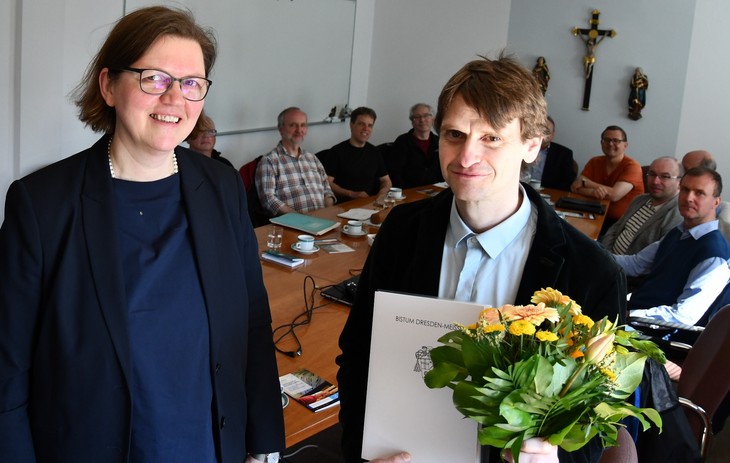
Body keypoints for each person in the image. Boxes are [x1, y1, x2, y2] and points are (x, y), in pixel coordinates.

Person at [0, 7, 284, 463]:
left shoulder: (221, 187)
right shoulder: (41, 205)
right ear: (109, 85)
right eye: (154, 77)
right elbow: (8, 369)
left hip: (209, 447)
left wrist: (263, 440)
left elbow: (250, 318)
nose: (175, 98)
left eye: (191, 82)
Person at [337, 53, 626, 463]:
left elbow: (596, 424)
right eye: (454, 134)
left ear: (532, 145)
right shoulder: (402, 230)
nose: (465, 157)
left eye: (491, 138)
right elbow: (357, 356)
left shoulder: (592, 273)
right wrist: (360, 454)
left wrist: (552, 458)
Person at [614, 167, 730, 327]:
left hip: (654, 334)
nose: (689, 198)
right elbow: (635, 264)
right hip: (633, 315)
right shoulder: (679, 233)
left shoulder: (714, 255)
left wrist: (629, 315)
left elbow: (683, 316)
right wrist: (593, 253)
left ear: (716, 202)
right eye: (685, 190)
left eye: (699, 193)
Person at [255, 107, 336, 216]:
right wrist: (299, 219)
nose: (299, 130)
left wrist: (328, 212)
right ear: (280, 129)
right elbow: (269, 200)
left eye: (303, 125)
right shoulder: (269, 161)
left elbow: (327, 190)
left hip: (323, 220)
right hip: (293, 225)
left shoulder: (312, 158)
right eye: (293, 125)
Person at [601, 156, 683, 255]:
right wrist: (606, 254)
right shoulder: (639, 200)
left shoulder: (678, 216)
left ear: (680, 182)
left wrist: (612, 262)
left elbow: (655, 259)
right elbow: (615, 228)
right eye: (652, 174)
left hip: (626, 268)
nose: (655, 181)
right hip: (607, 257)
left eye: (665, 176)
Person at [571, 125, 644, 228]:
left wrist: (586, 183)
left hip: (622, 224)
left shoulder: (633, 167)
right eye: (606, 140)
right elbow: (576, 187)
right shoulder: (594, 161)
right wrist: (593, 192)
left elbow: (614, 195)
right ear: (601, 143)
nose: (610, 144)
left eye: (616, 141)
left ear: (625, 145)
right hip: (592, 215)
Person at [323, 107, 392, 202]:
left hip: (370, 203)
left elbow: (386, 181)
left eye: (370, 125)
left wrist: (381, 195)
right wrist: (351, 194)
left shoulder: (375, 152)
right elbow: (327, 183)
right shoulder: (336, 151)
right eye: (361, 124)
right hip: (344, 206)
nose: (366, 129)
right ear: (351, 125)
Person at [386, 103, 443, 188]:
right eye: (417, 117)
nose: (422, 120)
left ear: (433, 119)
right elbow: (394, 172)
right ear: (412, 121)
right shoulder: (402, 141)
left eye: (426, 115)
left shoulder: (440, 142)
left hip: (435, 192)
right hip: (409, 192)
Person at [525, 115, 576, 191]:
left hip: (547, 195)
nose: (543, 134)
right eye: (540, 130)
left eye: (547, 131)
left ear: (553, 134)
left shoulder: (564, 154)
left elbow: (568, 184)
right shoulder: (522, 148)